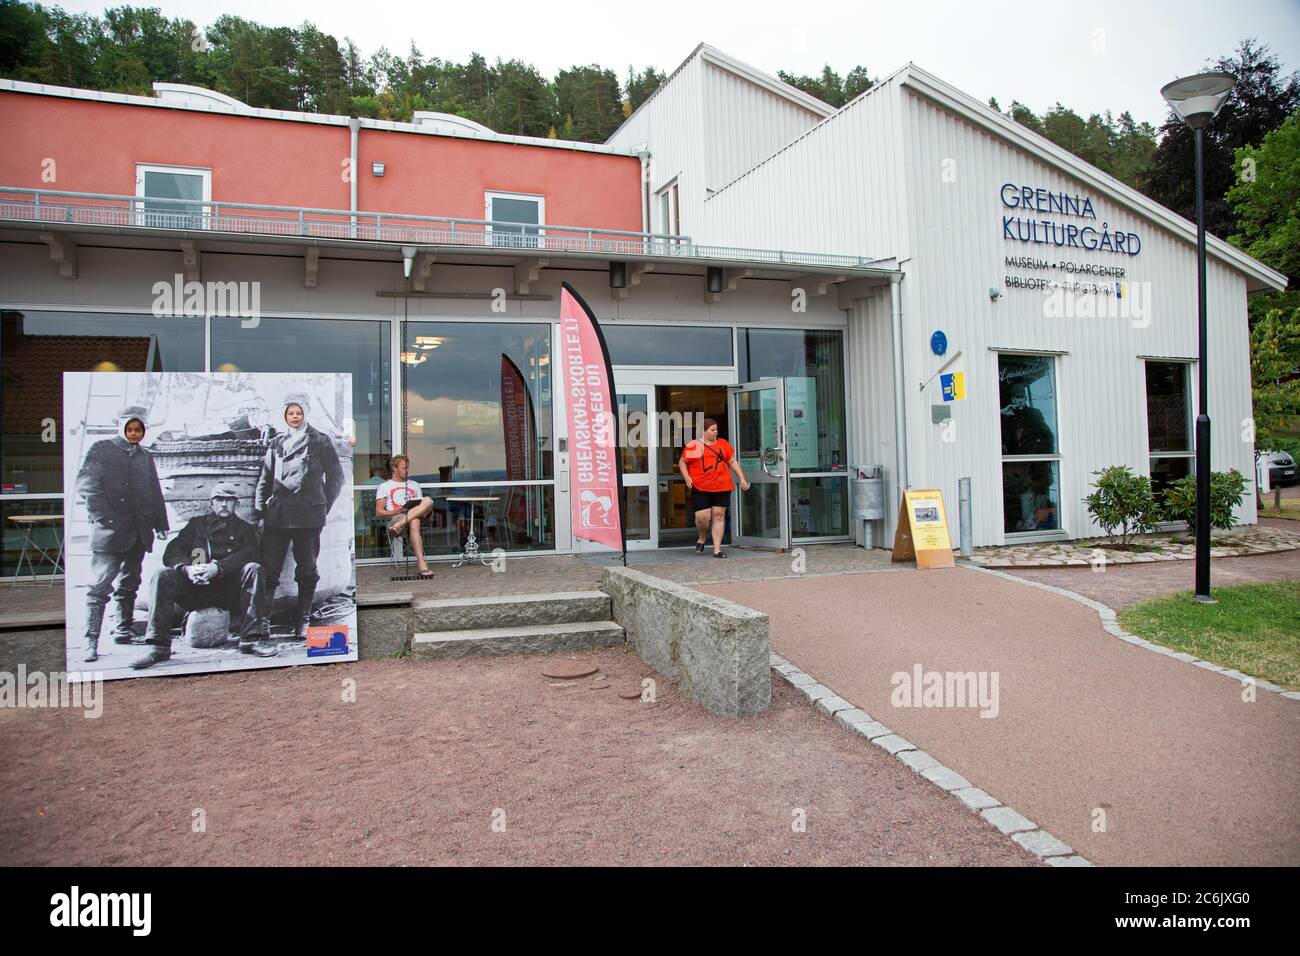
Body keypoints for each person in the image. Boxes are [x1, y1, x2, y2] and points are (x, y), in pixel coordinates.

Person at [132, 482, 277, 669]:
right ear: (211, 504)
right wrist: (187, 569)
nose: (224, 504)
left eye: (229, 500)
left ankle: (250, 640)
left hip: (227, 593)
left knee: (254, 569)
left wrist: (218, 568)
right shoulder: (196, 525)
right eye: (219, 500)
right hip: (195, 589)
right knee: (163, 575)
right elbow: (172, 552)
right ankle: (157, 647)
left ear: (236, 505)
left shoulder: (245, 530)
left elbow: (250, 554)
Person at [75, 404, 169, 663]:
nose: (134, 433)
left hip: (139, 532)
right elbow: (87, 488)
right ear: (120, 426)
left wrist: (160, 523)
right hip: (110, 534)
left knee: (129, 583)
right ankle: (90, 641)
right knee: (99, 586)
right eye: (130, 428)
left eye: (139, 429)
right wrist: (108, 519)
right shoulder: (101, 450)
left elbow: (154, 491)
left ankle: (123, 630)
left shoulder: (144, 456)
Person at [254, 393, 345, 639]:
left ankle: (302, 621)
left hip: (308, 517)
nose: (295, 417)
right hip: (278, 516)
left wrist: (321, 505)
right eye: (290, 413)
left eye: (299, 412)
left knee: (307, 569)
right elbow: (265, 477)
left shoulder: (320, 441)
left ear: (306, 413)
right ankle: (263, 622)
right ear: (285, 416)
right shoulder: (276, 442)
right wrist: (260, 513)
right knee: (270, 568)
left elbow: (337, 478)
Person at [679, 417, 750, 557]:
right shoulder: (694, 445)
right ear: (703, 432)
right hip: (700, 485)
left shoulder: (723, 444)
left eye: (716, 429)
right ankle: (702, 536)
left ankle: (717, 549)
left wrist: (742, 478)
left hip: (722, 485)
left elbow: (732, 461)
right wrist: (687, 477)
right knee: (702, 518)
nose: (715, 432)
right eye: (712, 430)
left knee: (719, 515)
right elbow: (682, 462)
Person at [374, 454, 435, 578]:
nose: (406, 471)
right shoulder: (385, 486)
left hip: (412, 517)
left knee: (428, 500)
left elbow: (421, 506)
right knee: (415, 521)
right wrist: (397, 511)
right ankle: (422, 564)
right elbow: (379, 512)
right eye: (403, 468)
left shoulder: (414, 484)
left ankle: (401, 524)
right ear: (394, 468)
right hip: (396, 517)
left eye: (408, 468)